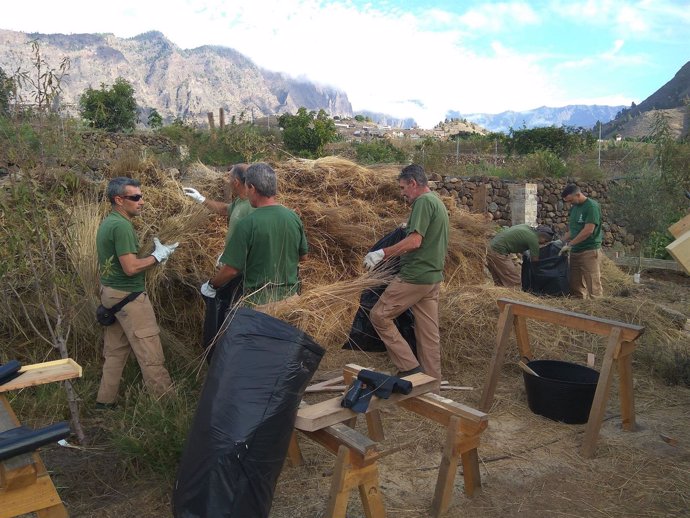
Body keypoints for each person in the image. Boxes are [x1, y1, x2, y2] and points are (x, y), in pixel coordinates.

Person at [95, 177, 179, 408]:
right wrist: (157, 257)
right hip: (129, 298)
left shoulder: (109, 222)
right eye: (135, 197)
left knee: (115, 353)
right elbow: (130, 267)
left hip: (111, 296)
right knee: (151, 354)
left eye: (141, 196)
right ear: (119, 200)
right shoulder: (122, 227)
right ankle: (167, 407)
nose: (141, 202)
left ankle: (104, 402)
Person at [364, 164, 449, 389]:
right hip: (432, 278)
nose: (402, 192)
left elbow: (415, 241)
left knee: (379, 316)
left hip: (415, 276)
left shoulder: (422, 202)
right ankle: (432, 385)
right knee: (428, 334)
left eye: (403, 187)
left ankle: (410, 368)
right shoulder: (436, 202)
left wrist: (382, 253)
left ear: (413, 183)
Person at [200, 162, 308, 306]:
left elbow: (231, 270)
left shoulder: (247, 224)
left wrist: (212, 285)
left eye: (246, 186)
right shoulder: (293, 217)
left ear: (251, 188)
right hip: (292, 301)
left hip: (259, 306)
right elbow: (303, 257)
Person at [182, 163, 254, 250]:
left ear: (236, 183)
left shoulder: (254, 207)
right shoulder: (241, 201)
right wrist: (201, 199)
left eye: (229, 178)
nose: (227, 181)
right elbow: (225, 209)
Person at [560, 184, 603, 298]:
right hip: (575, 251)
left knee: (593, 283)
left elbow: (588, 230)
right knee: (575, 283)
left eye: (571, 200)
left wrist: (570, 244)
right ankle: (578, 307)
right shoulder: (575, 208)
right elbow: (573, 231)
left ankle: (596, 310)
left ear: (578, 195)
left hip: (589, 250)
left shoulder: (591, 207)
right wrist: (560, 241)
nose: (570, 204)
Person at [487, 224, 555, 287]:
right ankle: (515, 298)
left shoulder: (526, 227)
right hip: (498, 252)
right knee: (514, 279)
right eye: (545, 241)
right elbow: (535, 261)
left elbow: (519, 242)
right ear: (542, 236)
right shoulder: (533, 239)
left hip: (490, 248)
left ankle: (501, 298)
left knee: (500, 280)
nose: (544, 244)